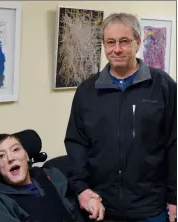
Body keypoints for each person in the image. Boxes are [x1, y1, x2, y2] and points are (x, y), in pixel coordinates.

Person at [64, 12, 177, 221]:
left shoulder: (163, 87)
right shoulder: (87, 91)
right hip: (101, 207)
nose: (116, 49)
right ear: (104, 45)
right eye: (110, 42)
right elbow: (76, 143)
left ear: (138, 42)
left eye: (124, 41)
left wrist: (175, 196)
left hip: (151, 208)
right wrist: (81, 189)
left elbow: (174, 143)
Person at [0, 132, 90, 222]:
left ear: (26, 155)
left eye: (15, 149)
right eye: (1, 156)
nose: (10, 158)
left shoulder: (50, 175)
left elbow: (76, 185)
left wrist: (85, 194)